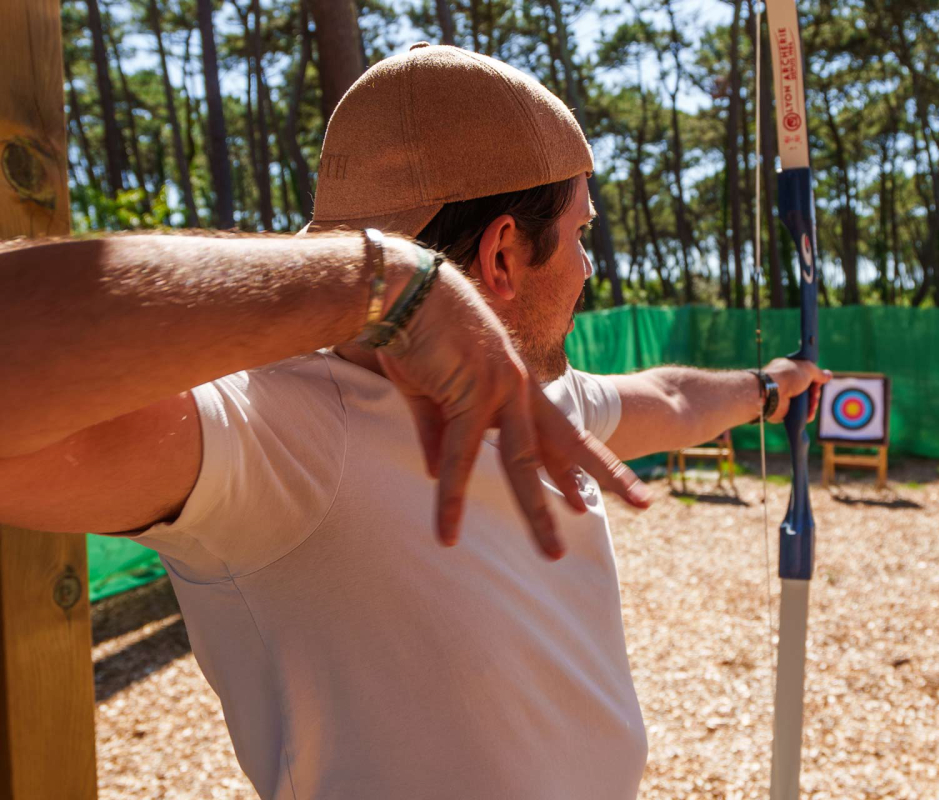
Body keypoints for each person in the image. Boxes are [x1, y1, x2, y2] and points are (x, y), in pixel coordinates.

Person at [0, 45, 828, 799]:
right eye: (580, 234)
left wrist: (766, 387)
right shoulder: (277, 430)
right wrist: (381, 279)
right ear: (505, 254)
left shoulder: (537, 405)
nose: (586, 269)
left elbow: (675, 399)